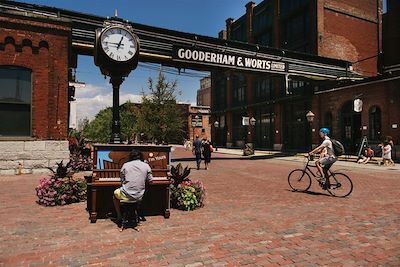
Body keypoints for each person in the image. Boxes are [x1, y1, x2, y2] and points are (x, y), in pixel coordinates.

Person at [113, 149, 153, 223]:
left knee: (115, 195)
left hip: (126, 195)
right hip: (139, 196)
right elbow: (150, 181)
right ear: (141, 157)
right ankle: (140, 213)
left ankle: (119, 215)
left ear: (130, 157)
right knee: (147, 192)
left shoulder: (125, 165)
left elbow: (122, 180)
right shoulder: (146, 165)